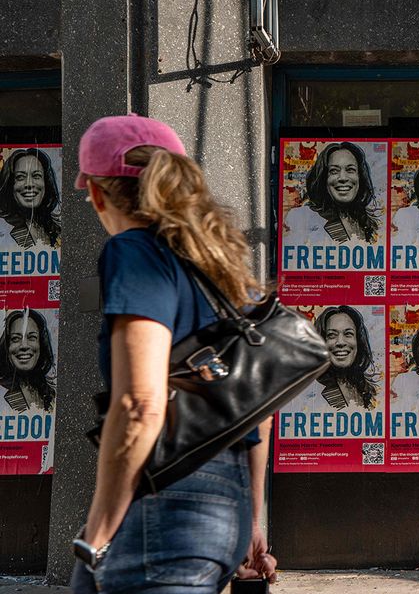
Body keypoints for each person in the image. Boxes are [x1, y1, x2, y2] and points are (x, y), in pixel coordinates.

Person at [70, 115, 276, 593]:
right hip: (228, 505)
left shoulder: (135, 252)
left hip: (166, 502)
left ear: (98, 194)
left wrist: (97, 533)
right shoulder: (220, 267)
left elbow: (140, 404)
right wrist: (251, 521)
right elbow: (258, 412)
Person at [284, 141, 380, 244]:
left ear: (360, 177)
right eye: (334, 171)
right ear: (323, 178)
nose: (343, 178)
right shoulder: (302, 217)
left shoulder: (367, 223)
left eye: (350, 170)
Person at [290, 305, 380, 411]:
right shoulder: (310, 392)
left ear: (358, 342)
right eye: (332, 335)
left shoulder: (368, 390)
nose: (340, 342)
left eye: (348, 334)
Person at [0, 148, 61, 249]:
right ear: (10, 185)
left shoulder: (56, 230)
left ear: (46, 183)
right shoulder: (4, 231)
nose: (29, 184)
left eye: (36, 176)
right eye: (20, 177)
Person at [0, 309, 56, 413]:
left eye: (32, 337)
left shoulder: (50, 394)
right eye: (16, 339)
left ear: (41, 345)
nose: (24, 345)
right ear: (7, 347)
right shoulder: (6, 396)